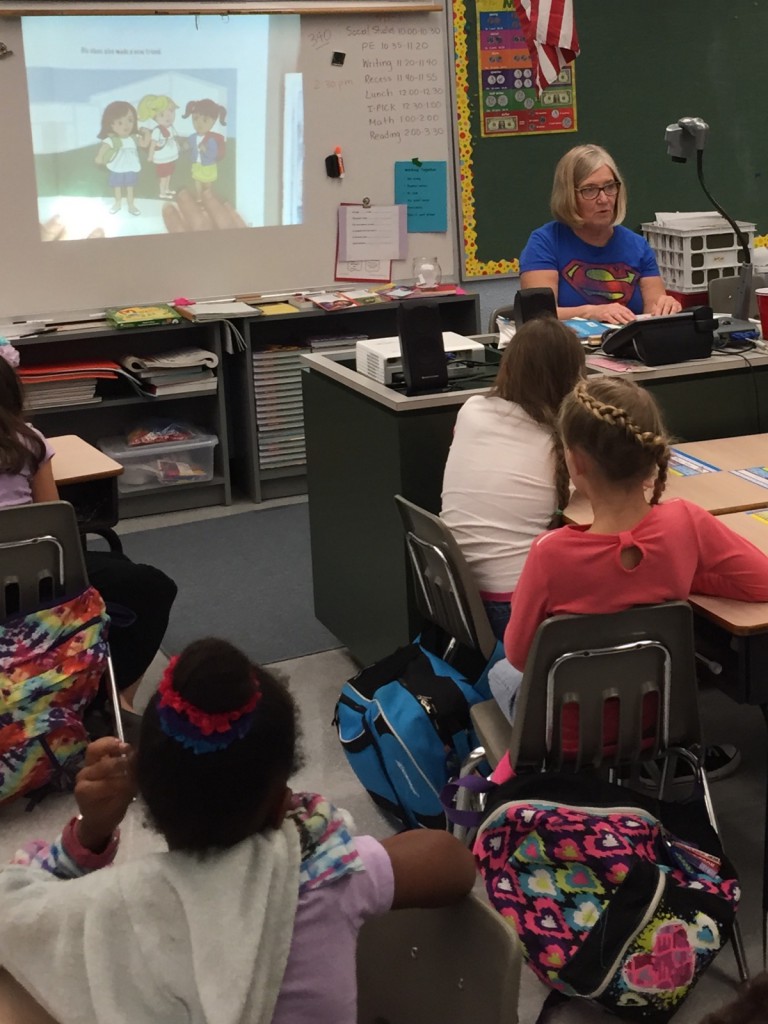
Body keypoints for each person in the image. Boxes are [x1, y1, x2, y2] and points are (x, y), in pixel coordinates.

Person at [0, 637, 477, 1024]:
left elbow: (19, 906)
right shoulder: (324, 874)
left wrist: (90, 833)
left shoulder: (113, 909)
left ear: (146, 797)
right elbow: (453, 865)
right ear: (279, 801)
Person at [491, 377, 768, 779]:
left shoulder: (549, 555)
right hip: (657, 723)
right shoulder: (685, 524)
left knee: (500, 672)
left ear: (576, 462)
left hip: (564, 738)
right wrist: (688, 577)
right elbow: (761, 581)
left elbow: (519, 654)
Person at [0, 352, 177, 712]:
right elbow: (55, 523)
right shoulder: (27, 443)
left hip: (28, 588)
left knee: (117, 565)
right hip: (40, 587)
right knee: (151, 586)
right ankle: (113, 699)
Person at [441, 317, 585, 639]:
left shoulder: (472, 409)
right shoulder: (559, 441)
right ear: (572, 376)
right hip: (515, 607)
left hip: (456, 593)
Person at [519, 143, 682, 324]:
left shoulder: (638, 245)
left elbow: (653, 309)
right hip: (568, 349)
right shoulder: (545, 242)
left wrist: (665, 306)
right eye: (590, 190)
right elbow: (539, 315)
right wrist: (590, 312)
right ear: (568, 195)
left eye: (609, 187)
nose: (604, 199)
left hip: (627, 348)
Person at [95, 100, 145, 217]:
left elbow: (143, 144)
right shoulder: (112, 139)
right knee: (117, 187)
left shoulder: (133, 138)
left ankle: (131, 205)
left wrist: (146, 134)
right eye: (120, 122)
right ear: (111, 124)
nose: (126, 125)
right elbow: (104, 148)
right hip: (117, 167)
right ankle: (117, 203)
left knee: (130, 187)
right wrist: (99, 157)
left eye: (130, 120)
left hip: (130, 167)